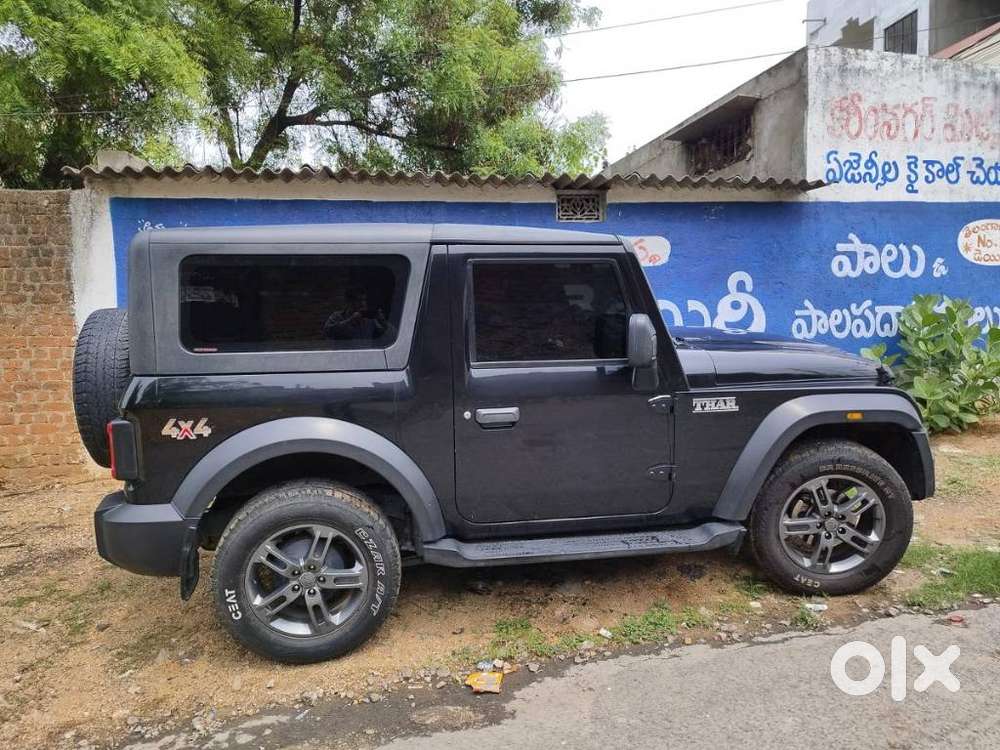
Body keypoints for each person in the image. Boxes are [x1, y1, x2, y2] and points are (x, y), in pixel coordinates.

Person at [323, 287, 391, 344]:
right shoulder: (337, 316)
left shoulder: (370, 319)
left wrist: (382, 321)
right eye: (359, 300)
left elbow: (390, 337)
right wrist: (350, 321)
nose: (363, 303)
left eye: (364, 300)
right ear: (349, 302)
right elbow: (327, 332)